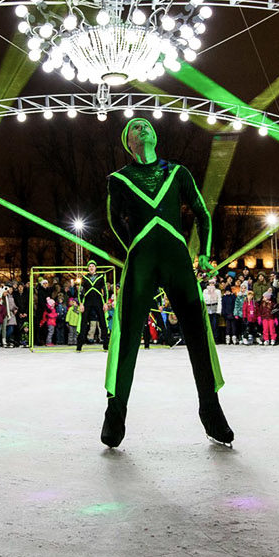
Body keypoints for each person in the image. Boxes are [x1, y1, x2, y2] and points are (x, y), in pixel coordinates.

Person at [99, 117, 231, 449]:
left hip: (178, 260)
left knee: (198, 335)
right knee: (128, 337)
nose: (141, 129)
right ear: (127, 141)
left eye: (145, 125)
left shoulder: (178, 172)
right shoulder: (119, 179)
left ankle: (212, 411)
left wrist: (204, 253)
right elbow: (114, 221)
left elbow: (203, 214)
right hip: (140, 261)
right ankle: (115, 415)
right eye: (133, 127)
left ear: (155, 135)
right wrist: (134, 245)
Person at [76, 261, 110, 352]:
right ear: (88, 268)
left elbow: (105, 290)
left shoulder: (101, 277)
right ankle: (79, 345)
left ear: (95, 268)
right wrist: (81, 303)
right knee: (83, 322)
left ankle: (106, 344)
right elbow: (80, 291)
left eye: (93, 266)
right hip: (87, 302)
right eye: (89, 266)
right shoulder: (84, 277)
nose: (91, 268)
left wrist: (105, 303)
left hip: (98, 301)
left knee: (102, 322)